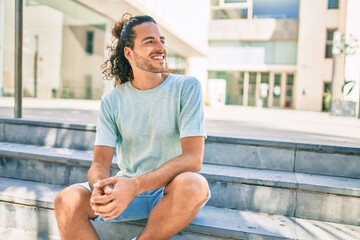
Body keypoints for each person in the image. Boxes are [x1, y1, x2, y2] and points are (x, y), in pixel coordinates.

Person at [54, 14, 210, 240]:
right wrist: (101, 188)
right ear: (129, 53)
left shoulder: (186, 87)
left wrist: (135, 186)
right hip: (126, 190)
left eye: (162, 40)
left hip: (168, 191)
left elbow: (193, 159)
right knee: (66, 199)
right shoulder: (112, 101)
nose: (160, 48)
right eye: (150, 41)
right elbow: (99, 162)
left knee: (194, 184)